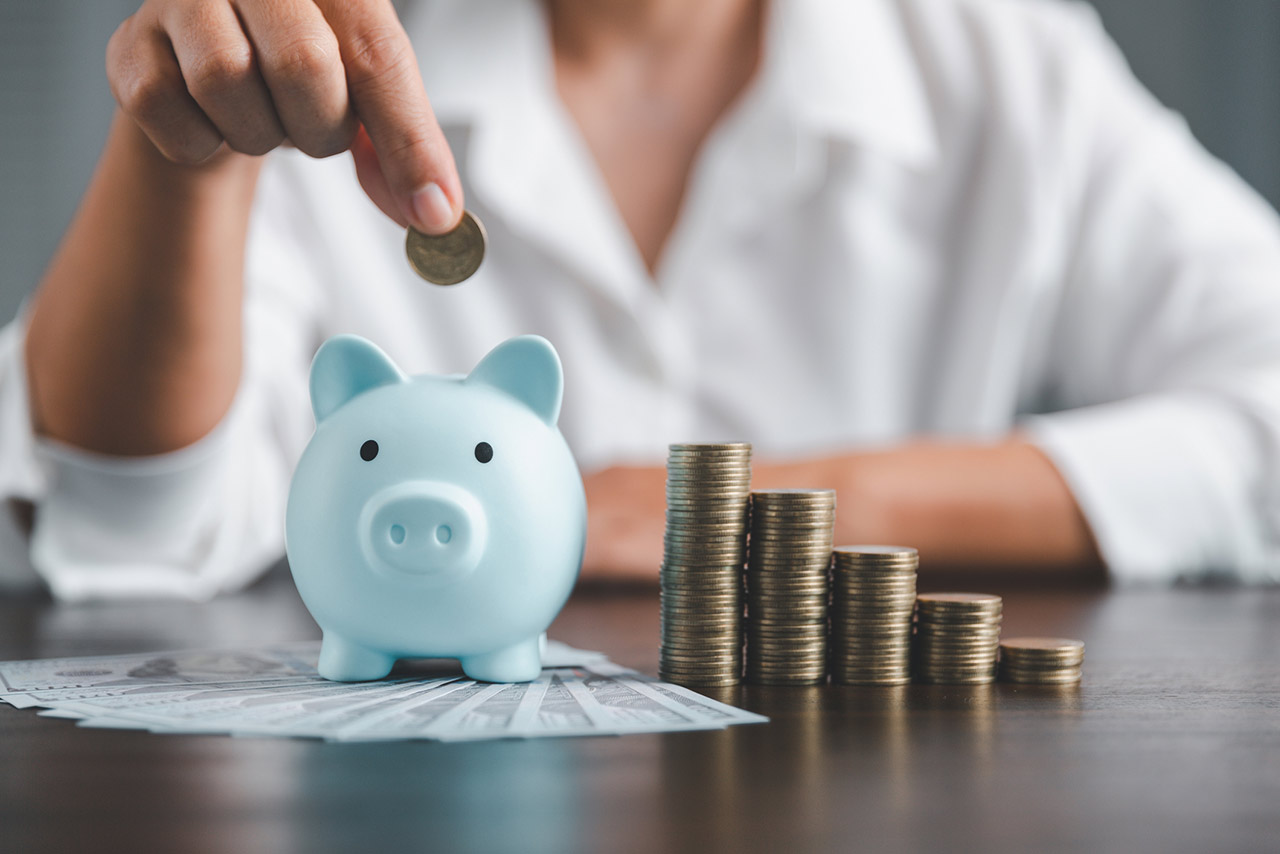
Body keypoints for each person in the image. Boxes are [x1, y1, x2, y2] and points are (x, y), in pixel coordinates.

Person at [2, 0, 1279, 601]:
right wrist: (188, 153)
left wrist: (759, 506)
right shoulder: (318, 48)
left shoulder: (1004, 63)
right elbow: (128, 527)